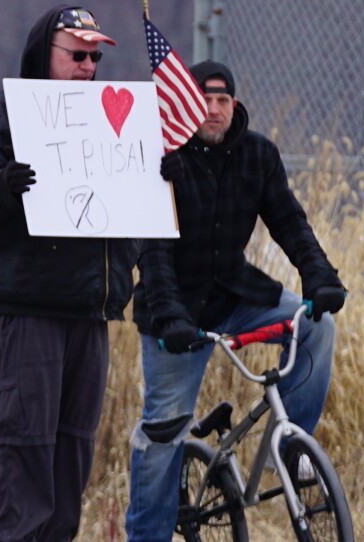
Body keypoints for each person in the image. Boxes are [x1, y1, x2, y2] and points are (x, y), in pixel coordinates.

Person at [124, 60, 347, 541]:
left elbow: (289, 222)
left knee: (315, 326)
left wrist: (320, 276)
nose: (213, 109)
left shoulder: (258, 155)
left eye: (222, 101)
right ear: (185, 104)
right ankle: (146, 536)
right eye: (204, 100)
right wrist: (169, 317)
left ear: (235, 105)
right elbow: (153, 252)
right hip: (174, 314)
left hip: (236, 296)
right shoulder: (165, 158)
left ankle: (294, 448)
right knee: (164, 436)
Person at [0, 6, 138, 541]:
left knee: (72, 449)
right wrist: (4, 186)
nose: (87, 67)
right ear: (45, 54)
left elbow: (136, 213)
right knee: (23, 442)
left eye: (94, 57)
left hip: (90, 308)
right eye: (76, 55)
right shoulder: (1, 115)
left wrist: (156, 178)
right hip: (30, 307)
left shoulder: (111, 119)